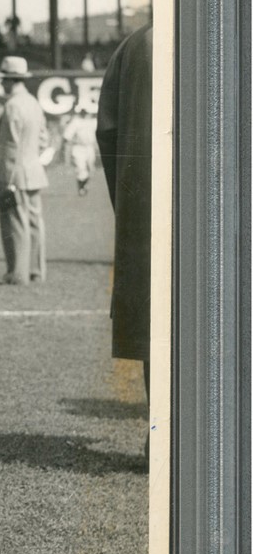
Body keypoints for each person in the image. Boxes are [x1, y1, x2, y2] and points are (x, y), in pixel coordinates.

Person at [96, 23, 153, 409]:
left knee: (157, 321)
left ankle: (161, 426)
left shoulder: (135, 45)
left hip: (148, 213)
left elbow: (108, 133)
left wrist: (132, 210)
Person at [0, 55, 49, 284]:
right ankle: (36, 271)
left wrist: (7, 179)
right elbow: (44, 139)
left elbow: (10, 146)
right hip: (34, 170)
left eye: (4, 80)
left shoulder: (12, 106)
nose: (2, 84)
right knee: (35, 222)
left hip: (14, 172)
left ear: (9, 80)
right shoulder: (33, 103)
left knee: (15, 222)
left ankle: (18, 273)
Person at [62, 104, 99, 195]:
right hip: (79, 148)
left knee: (91, 169)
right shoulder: (76, 122)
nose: (84, 114)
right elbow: (67, 136)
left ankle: (84, 185)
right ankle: (81, 188)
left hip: (89, 147)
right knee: (81, 168)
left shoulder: (93, 122)